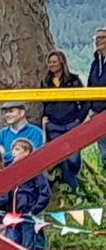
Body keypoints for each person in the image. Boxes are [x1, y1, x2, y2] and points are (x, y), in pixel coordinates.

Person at [0, 139, 51, 250]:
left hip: (28, 217)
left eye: (17, 149)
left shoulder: (35, 171)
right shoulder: (10, 170)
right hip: (11, 217)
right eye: (13, 149)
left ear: (27, 152)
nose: (14, 153)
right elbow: (5, 193)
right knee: (11, 247)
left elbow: (45, 193)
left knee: (29, 247)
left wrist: (34, 210)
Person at [41, 50, 88, 197]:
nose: (52, 65)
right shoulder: (45, 82)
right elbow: (42, 102)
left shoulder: (73, 80)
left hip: (71, 124)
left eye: (55, 61)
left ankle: (74, 185)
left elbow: (85, 101)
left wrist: (79, 119)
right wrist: (45, 118)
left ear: (62, 62)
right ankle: (73, 192)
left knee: (73, 159)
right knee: (61, 158)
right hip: (54, 125)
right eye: (50, 62)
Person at [89, 28, 106, 175]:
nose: (98, 41)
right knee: (104, 154)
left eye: (102, 38)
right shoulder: (96, 63)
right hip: (99, 115)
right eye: (96, 38)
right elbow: (90, 87)